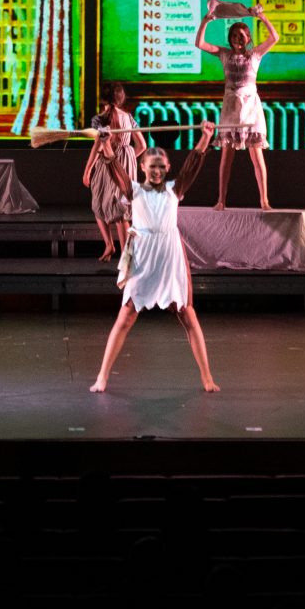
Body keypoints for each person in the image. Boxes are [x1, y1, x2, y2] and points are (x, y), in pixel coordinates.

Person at [89, 123, 221, 394]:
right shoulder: (134, 190)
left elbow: (192, 165)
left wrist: (206, 137)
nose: (157, 171)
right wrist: (105, 143)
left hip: (170, 255)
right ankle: (102, 376)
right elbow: (114, 168)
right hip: (143, 256)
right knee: (126, 316)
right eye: (152, 167)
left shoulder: (175, 189)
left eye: (161, 166)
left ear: (168, 167)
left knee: (188, 314)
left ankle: (207, 377)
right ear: (143, 167)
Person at [194, 0, 278, 211]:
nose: (237, 39)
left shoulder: (255, 54)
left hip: (251, 109)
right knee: (226, 157)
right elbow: (200, 43)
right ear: (229, 39)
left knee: (257, 156)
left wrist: (261, 16)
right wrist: (206, 20)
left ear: (248, 38)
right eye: (234, 36)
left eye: (241, 36)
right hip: (231, 108)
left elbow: (275, 38)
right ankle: (221, 200)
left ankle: (264, 201)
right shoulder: (224, 54)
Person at [82, 83, 147, 262]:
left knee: (99, 203)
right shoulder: (128, 117)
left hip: (107, 161)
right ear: (121, 98)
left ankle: (111, 245)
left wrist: (88, 170)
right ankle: (125, 255)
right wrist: (128, 158)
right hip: (125, 164)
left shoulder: (99, 119)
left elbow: (98, 147)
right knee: (121, 209)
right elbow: (142, 145)